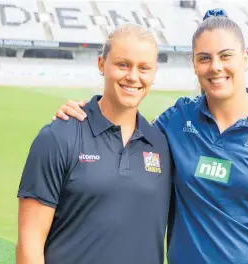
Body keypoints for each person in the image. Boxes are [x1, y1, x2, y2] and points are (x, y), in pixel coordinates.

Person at [52, 9, 248, 264]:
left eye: (226, 55)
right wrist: (84, 114)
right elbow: (125, 135)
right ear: (194, 65)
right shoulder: (177, 119)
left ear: (245, 58)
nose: (215, 67)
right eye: (204, 58)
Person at [16, 24, 173, 264]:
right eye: (123, 64)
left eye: (144, 68)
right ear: (101, 64)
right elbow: (29, 243)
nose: (133, 76)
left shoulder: (161, 143)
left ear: (154, 73)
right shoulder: (58, 136)